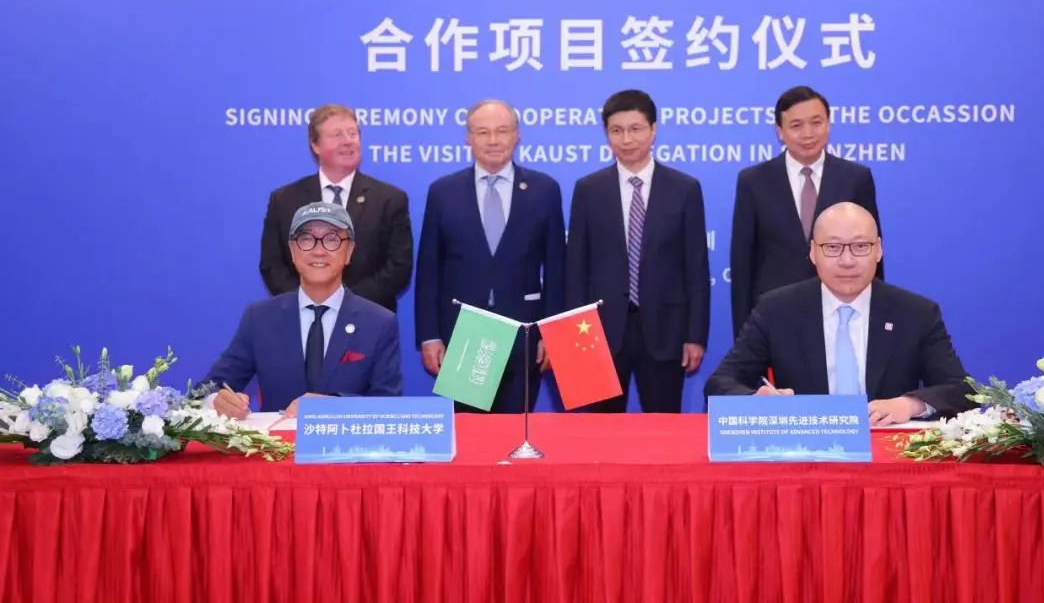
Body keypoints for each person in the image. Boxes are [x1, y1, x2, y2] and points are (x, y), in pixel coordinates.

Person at [706, 202, 973, 424]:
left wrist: (909, 404)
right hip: (807, 451)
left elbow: (963, 390)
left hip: (887, 450)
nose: (847, 261)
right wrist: (756, 401)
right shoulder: (777, 310)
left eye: (860, 246)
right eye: (833, 248)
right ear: (813, 252)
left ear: (878, 250)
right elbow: (720, 383)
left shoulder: (915, 313)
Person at [414, 99, 565, 413]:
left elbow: (556, 269)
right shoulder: (443, 192)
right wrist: (429, 336)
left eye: (502, 131)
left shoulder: (544, 190)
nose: (493, 140)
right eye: (483, 132)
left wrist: (554, 335)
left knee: (517, 432)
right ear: (468, 138)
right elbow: (428, 271)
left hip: (525, 334)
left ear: (517, 135)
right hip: (464, 336)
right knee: (470, 434)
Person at [565, 89, 710, 413]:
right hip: (599, 333)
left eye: (635, 129)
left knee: (663, 429)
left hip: (666, 332)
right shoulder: (588, 190)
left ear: (653, 130)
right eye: (616, 130)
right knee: (599, 430)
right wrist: (575, 334)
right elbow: (576, 268)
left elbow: (696, 268)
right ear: (606, 134)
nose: (626, 139)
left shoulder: (684, 189)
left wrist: (695, 335)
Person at [206, 201, 402, 419]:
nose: (318, 251)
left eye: (332, 239)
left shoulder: (378, 322)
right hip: (275, 440)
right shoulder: (260, 318)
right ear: (292, 250)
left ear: (349, 251)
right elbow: (207, 389)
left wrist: (334, 407)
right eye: (306, 239)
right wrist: (217, 401)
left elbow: (389, 406)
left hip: (344, 440)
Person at [730, 85, 883, 339]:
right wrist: (744, 334)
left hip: (843, 311)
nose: (808, 133)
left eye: (816, 122)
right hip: (774, 317)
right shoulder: (753, 181)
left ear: (828, 124)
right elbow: (742, 264)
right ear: (780, 131)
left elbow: (871, 253)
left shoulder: (855, 178)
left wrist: (875, 318)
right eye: (796, 125)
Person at [259, 104, 413, 312]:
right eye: (337, 134)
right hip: (299, 317)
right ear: (315, 145)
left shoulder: (390, 199)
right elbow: (272, 265)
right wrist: (310, 303)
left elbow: (398, 268)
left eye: (353, 133)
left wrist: (346, 305)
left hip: (367, 317)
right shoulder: (284, 200)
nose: (348, 141)